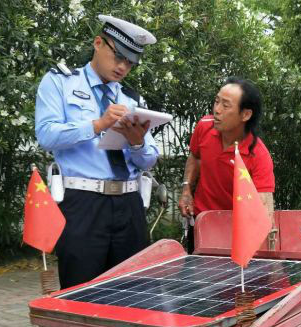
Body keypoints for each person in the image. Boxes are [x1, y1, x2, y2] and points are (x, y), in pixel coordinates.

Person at [35, 15, 159, 289]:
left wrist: (138, 143)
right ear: (98, 43)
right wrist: (97, 124)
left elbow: (149, 158)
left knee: (136, 293)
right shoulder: (60, 83)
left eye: (130, 62)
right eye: (119, 56)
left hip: (129, 203)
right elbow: (46, 134)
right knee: (82, 293)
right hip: (83, 203)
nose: (123, 67)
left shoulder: (132, 99)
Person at [177, 77, 275, 252]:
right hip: (201, 223)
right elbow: (195, 156)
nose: (217, 110)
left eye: (226, 105)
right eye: (216, 102)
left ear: (245, 114)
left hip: (235, 233)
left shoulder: (258, 155)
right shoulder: (204, 127)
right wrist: (186, 190)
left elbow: (263, 210)